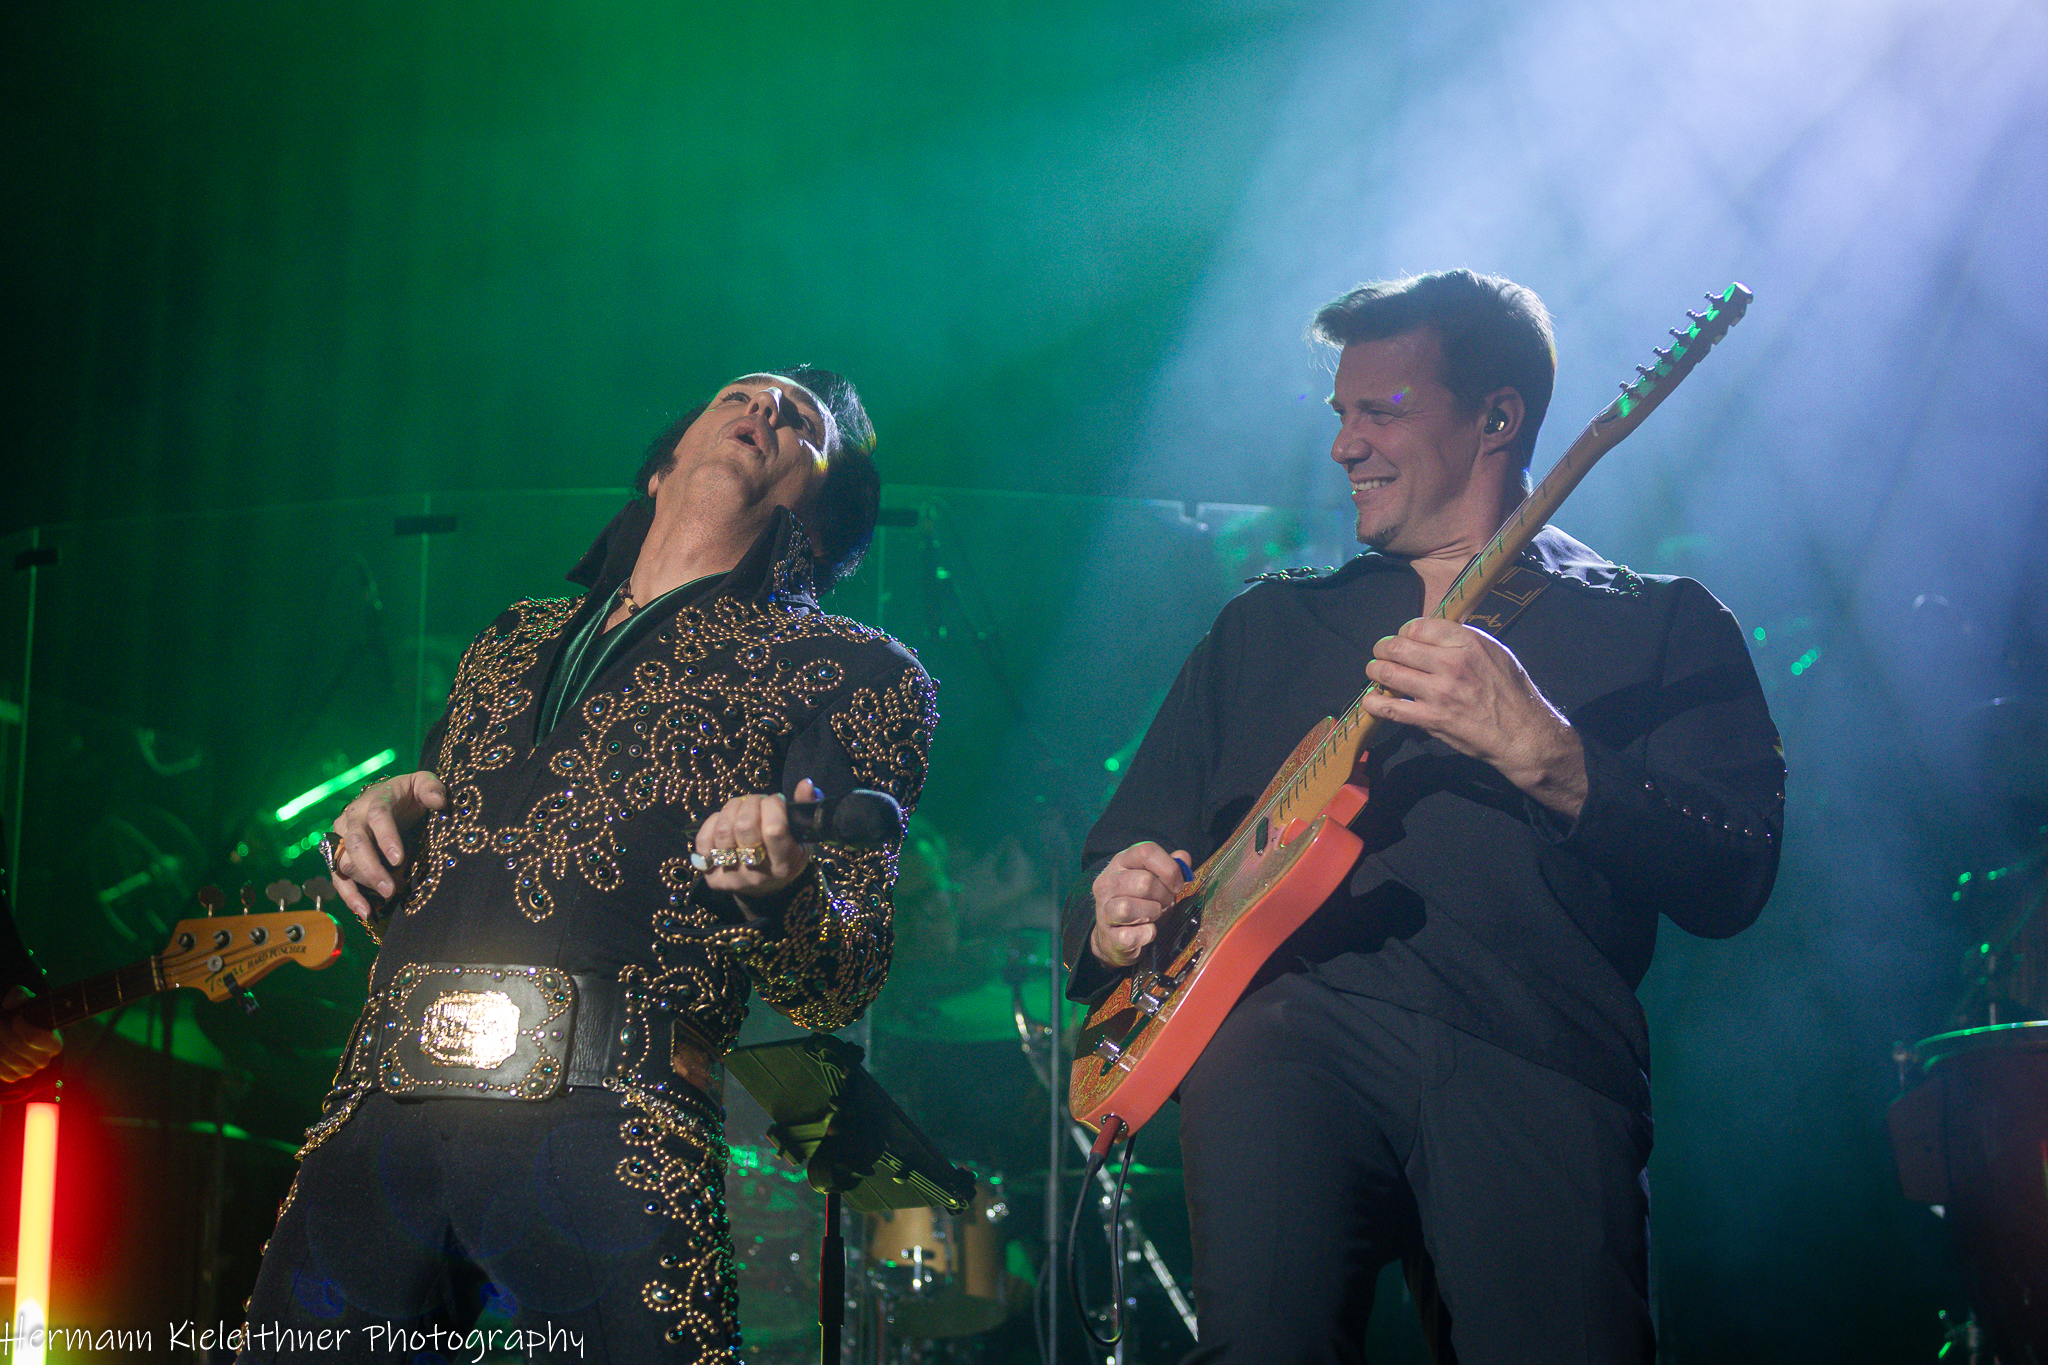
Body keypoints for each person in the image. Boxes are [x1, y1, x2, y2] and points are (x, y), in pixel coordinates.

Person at [1064, 271, 1783, 1364]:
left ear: (1497, 417)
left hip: (1539, 1051)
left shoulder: (1661, 626)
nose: (1344, 445)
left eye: (1381, 412)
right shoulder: (1267, 626)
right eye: (1340, 413)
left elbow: (1736, 874)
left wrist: (1549, 754)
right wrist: (1116, 906)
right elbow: (1114, 861)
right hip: (1287, 1030)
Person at [241, 367, 937, 1363]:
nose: (766, 409)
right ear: (661, 466)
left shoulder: (857, 671)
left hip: (612, 1118)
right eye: (742, 393)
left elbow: (842, 977)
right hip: (380, 1111)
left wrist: (783, 885)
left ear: (821, 519)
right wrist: (371, 837)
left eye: (802, 424)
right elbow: (426, 878)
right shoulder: (508, 642)